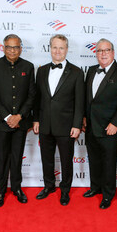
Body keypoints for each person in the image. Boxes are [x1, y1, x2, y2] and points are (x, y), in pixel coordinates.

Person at [83, 38, 117, 209]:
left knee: (108, 162)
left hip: (109, 127)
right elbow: (87, 99)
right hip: (91, 125)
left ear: (113, 52)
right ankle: (95, 187)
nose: (103, 54)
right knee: (94, 159)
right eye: (99, 51)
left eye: (106, 50)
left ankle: (107, 194)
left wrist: (116, 123)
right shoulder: (90, 71)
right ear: (96, 53)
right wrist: (84, 117)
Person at [33, 34, 85, 206]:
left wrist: (77, 125)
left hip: (66, 126)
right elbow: (37, 98)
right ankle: (49, 186)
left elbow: (80, 102)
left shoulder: (77, 72)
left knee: (65, 161)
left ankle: (65, 190)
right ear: (50, 48)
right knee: (46, 159)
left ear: (67, 49)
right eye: (54, 47)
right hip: (45, 125)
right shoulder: (41, 70)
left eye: (61, 47)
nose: (57, 51)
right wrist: (36, 120)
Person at [0, 34, 36, 207]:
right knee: (2, 158)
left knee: (17, 157)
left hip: (21, 122)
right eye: (9, 47)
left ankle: (16, 188)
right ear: (3, 47)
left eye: (16, 47)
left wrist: (19, 116)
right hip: (1, 123)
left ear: (21, 48)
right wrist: (8, 117)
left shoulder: (29, 67)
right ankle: (0, 191)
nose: (12, 50)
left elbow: (31, 95)